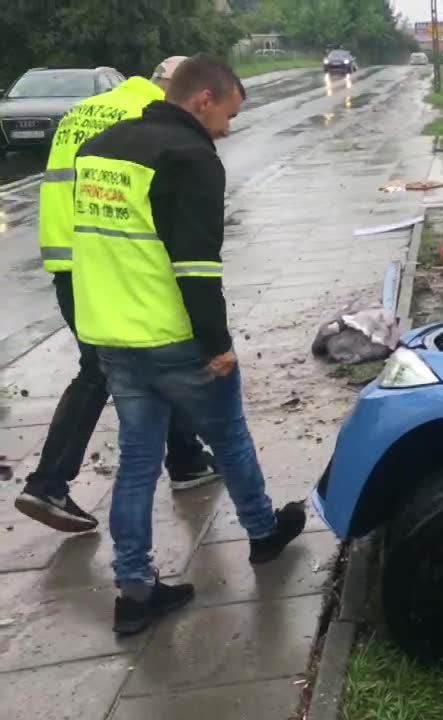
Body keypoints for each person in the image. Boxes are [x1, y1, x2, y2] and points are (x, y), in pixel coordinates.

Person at [70, 54, 306, 634]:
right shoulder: (191, 157)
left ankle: (134, 591)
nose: (228, 129)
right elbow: (197, 268)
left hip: (112, 335)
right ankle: (263, 533)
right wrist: (218, 343)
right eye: (228, 115)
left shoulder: (98, 149)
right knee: (228, 437)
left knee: (137, 463)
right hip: (173, 335)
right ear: (203, 99)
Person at [15, 56, 222, 536]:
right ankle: (48, 482)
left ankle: (187, 459)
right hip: (107, 260)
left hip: (67, 254)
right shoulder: (155, 116)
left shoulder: (87, 109)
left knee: (140, 357)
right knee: (104, 366)